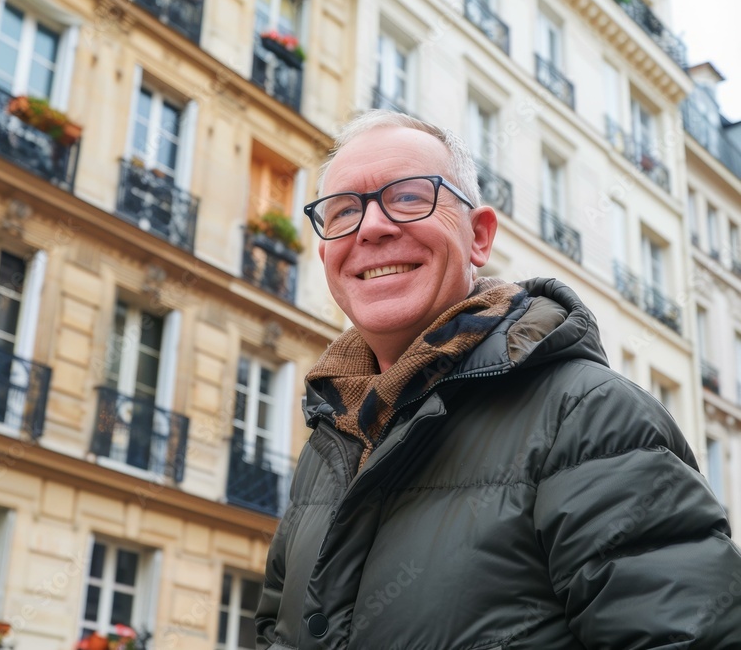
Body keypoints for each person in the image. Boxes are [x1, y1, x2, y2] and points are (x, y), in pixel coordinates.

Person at [255, 109, 741, 649]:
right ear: (326, 255)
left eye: (411, 197)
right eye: (344, 210)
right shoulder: (329, 444)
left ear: (479, 237)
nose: (371, 226)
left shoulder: (591, 417)